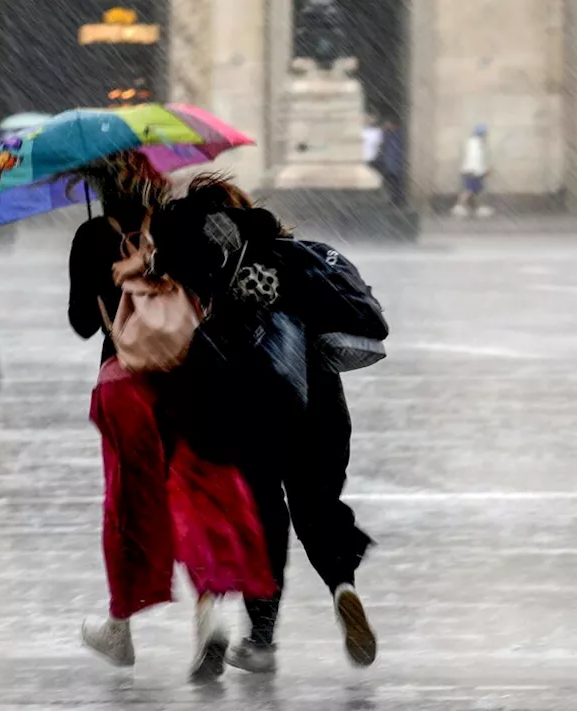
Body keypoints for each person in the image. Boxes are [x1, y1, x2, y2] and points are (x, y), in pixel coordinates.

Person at [67, 153, 276, 680]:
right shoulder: (174, 227)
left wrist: (102, 285)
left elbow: (80, 325)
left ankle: (120, 628)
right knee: (197, 492)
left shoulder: (91, 236)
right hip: (187, 376)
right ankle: (210, 615)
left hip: (123, 383)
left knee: (130, 506)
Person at [162, 175, 379, 674]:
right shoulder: (294, 258)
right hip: (321, 406)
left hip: (253, 412)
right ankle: (343, 586)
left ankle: (261, 640)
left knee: (265, 523)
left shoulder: (207, 272)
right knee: (318, 507)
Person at [452, 124, 492, 218]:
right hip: (473, 171)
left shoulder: (474, 143)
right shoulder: (475, 144)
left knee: (477, 190)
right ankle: (459, 207)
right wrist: (483, 171)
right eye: (484, 134)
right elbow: (475, 160)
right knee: (469, 190)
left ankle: (479, 208)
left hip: (472, 170)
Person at [375, 119, 406, 207]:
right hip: (389, 162)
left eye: (387, 124)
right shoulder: (387, 134)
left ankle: (398, 199)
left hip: (396, 162)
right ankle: (394, 199)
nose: (386, 126)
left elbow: (399, 148)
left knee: (397, 182)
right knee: (392, 183)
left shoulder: (398, 134)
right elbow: (382, 146)